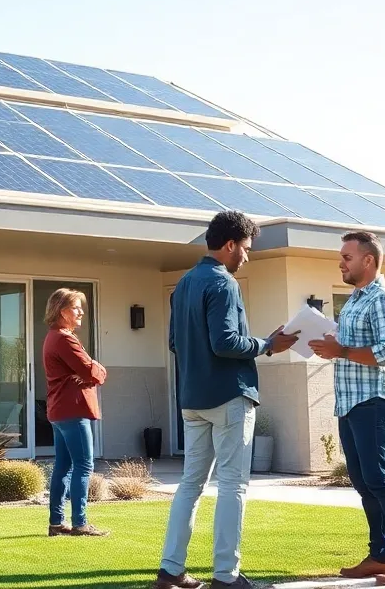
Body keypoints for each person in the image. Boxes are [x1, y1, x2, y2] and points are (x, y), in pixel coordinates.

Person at [156, 210, 296, 589]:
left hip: (192, 399)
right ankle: (226, 576)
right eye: (246, 249)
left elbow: (174, 342)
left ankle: (170, 571)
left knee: (190, 485)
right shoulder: (224, 284)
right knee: (233, 485)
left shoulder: (184, 284)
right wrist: (268, 344)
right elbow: (226, 342)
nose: (247, 256)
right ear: (230, 244)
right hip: (229, 396)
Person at [308, 231, 385, 585]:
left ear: (368, 260)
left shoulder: (384, 299)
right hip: (349, 402)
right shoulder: (356, 299)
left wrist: (340, 351)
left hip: (374, 400)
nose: (341, 262)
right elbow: (355, 345)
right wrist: (332, 343)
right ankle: (381, 554)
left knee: (378, 478)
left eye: (347, 257)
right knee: (362, 480)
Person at [42, 287, 108, 537]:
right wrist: (97, 372)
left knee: (63, 466)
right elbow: (91, 371)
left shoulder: (53, 337)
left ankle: (56, 523)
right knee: (83, 465)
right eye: (75, 307)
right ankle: (80, 523)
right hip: (72, 409)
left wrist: (91, 372)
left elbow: (87, 371)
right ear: (61, 311)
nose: (81, 311)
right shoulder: (65, 339)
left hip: (59, 410)